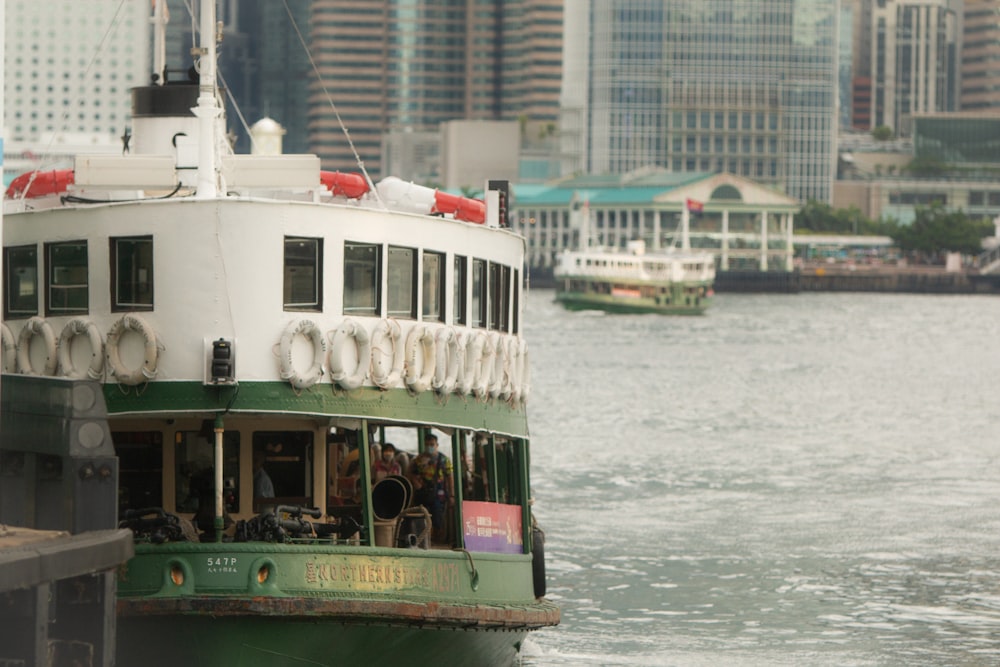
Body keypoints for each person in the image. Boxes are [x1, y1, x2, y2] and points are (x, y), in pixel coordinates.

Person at [408, 432, 454, 543]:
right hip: (424, 491)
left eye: (432, 444)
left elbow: (450, 477)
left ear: (437, 445)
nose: (430, 447)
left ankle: (437, 539)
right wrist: (417, 485)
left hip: (438, 492)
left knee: (438, 517)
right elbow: (412, 474)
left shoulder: (444, 460)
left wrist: (452, 494)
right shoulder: (419, 459)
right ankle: (425, 540)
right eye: (427, 444)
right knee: (423, 516)